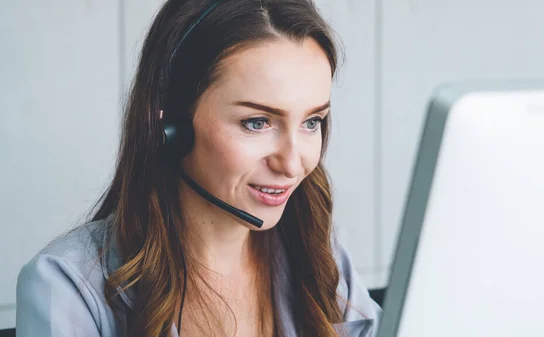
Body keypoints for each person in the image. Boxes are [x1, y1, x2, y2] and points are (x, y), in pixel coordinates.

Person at [15, 0, 381, 336]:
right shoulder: (68, 287)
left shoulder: (316, 249)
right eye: (257, 122)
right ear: (171, 122)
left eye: (312, 122)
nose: (292, 163)